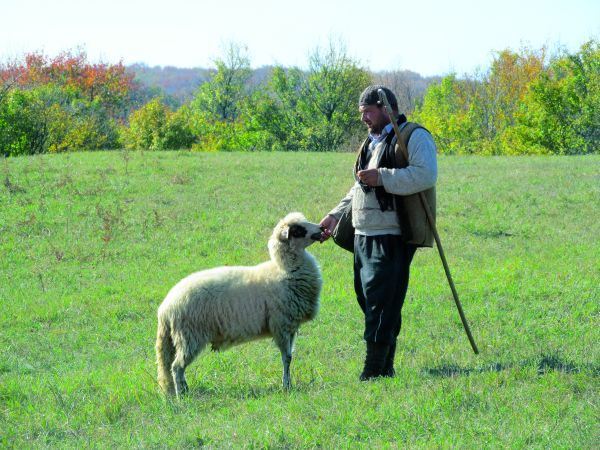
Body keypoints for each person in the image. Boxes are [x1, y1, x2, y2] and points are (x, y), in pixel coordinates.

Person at [320, 85, 438, 381]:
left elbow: (426, 174)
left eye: (368, 112)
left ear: (386, 108)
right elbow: (359, 187)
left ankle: (372, 370)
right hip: (362, 233)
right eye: (362, 114)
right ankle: (385, 367)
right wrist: (335, 214)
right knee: (368, 299)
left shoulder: (414, 136)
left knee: (381, 303)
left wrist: (383, 177)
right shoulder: (371, 142)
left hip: (391, 234)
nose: (364, 119)